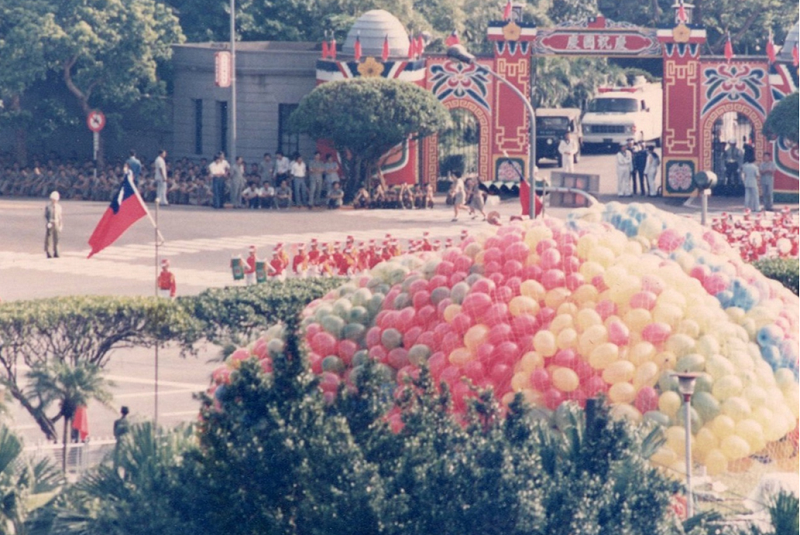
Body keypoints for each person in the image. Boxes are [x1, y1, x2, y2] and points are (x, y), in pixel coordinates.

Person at [44, 190, 63, 258]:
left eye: (55, 199)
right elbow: (46, 215)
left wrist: (61, 225)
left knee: (57, 239)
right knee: (48, 238)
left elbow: (60, 216)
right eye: (53, 199)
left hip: (56, 222)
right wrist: (48, 222)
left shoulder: (59, 207)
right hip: (51, 222)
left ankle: (56, 251)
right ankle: (48, 251)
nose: (54, 200)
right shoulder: (48, 206)